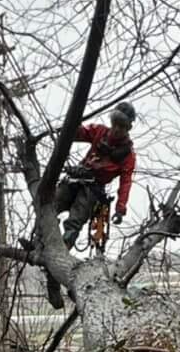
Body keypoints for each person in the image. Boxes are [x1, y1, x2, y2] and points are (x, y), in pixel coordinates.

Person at [56, 101, 137, 245]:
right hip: (76, 177)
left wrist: (120, 208)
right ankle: (38, 242)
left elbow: (126, 183)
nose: (117, 129)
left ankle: (62, 248)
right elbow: (80, 132)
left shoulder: (127, 155)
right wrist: (69, 128)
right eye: (115, 124)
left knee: (75, 220)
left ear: (129, 127)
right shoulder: (100, 132)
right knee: (51, 205)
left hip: (93, 188)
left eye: (122, 126)